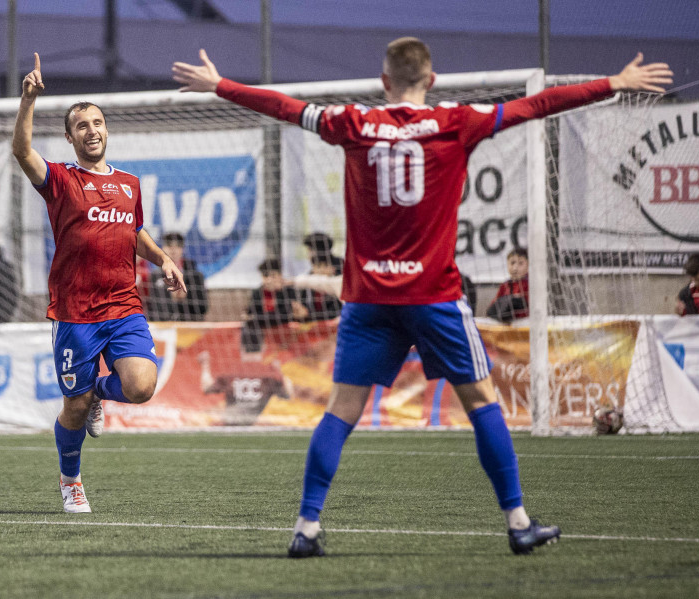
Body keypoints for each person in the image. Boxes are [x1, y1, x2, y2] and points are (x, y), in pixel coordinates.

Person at [173, 40, 672, 557]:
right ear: (431, 80)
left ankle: (306, 528)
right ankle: (518, 522)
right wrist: (612, 84)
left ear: (383, 81)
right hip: (433, 296)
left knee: (340, 410)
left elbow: (284, 107)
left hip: (367, 300)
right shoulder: (458, 121)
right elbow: (537, 105)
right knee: (481, 402)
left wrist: (221, 85)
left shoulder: (353, 124)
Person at [13, 53, 187, 514]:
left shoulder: (129, 184)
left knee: (142, 386)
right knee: (72, 406)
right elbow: (22, 152)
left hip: (123, 306)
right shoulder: (61, 181)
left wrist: (165, 259)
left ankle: (96, 395)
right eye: (82, 125)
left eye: (98, 122)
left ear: (106, 130)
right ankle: (71, 478)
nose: (92, 130)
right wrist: (28, 101)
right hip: (74, 313)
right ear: (70, 138)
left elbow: (134, 233)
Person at [197, 346, 292, 426]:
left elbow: (206, 388)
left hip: (229, 424)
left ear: (241, 348)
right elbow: (289, 394)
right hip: (255, 426)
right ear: (263, 348)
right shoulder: (270, 373)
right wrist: (280, 372)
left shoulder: (231, 370)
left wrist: (205, 364)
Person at [241, 258, 309, 352]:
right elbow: (250, 312)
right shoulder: (257, 292)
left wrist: (257, 317)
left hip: (287, 336)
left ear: (280, 276)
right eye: (266, 276)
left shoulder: (289, 291)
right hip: (265, 335)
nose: (269, 279)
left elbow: (286, 313)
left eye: (273, 276)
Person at [147, 232, 208, 321]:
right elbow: (153, 308)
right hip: (164, 328)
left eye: (177, 246)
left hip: (189, 327)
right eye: (169, 245)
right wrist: (170, 298)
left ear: (183, 249)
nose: (173, 250)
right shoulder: (155, 276)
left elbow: (203, 308)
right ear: (163, 248)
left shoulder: (195, 276)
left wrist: (185, 298)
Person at [300, 233, 343, 321]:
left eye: (310, 250)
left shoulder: (340, 269)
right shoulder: (310, 275)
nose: (308, 255)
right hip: (315, 321)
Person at [486, 248, 529, 323]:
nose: (515, 268)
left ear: (528, 265)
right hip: (507, 327)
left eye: (520, 263)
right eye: (512, 263)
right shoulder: (505, 285)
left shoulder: (530, 285)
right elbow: (492, 307)